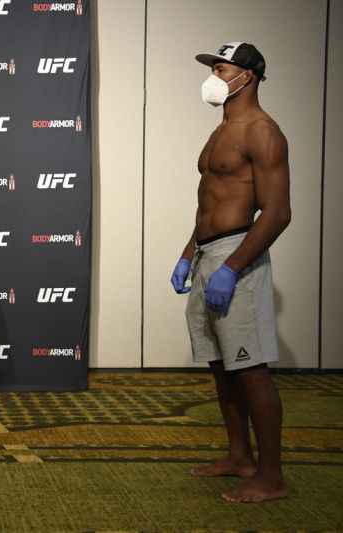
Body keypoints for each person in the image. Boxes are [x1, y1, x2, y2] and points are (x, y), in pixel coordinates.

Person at [171, 42, 291, 503]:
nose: (213, 78)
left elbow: (277, 213)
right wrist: (189, 254)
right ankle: (240, 456)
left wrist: (233, 267)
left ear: (249, 76)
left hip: (236, 254)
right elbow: (210, 203)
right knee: (221, 366)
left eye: (222, 70)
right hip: (207, 252)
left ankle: (271, 477)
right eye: (214, 69)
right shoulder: (221, 130)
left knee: (251, 368)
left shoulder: (263, 132)